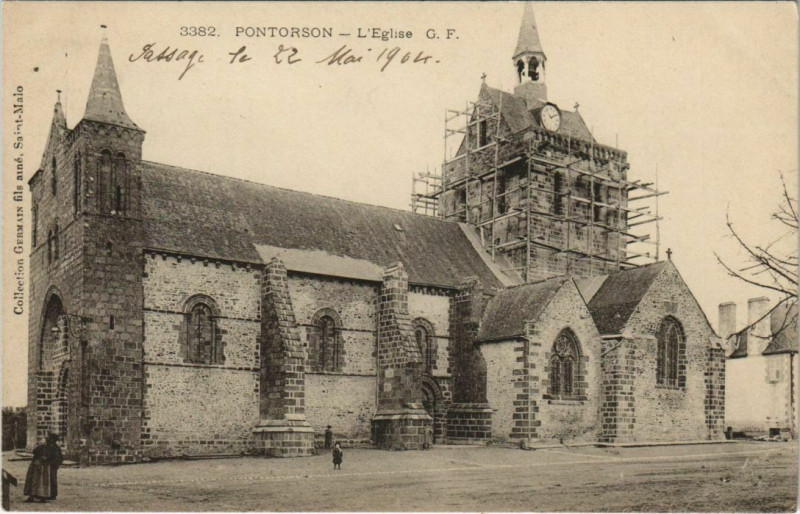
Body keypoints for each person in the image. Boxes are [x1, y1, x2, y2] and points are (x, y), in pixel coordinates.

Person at [23, 438, 51, 502]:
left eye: (43, 440)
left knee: (42, 481)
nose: (41, 441)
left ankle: (43, 497)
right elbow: (34, 452)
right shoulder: (38, 448)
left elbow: (51, 456)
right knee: (34, 480)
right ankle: (32, 496)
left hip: (44, 466)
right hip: (36, 465)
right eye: (41, 440)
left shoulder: (49, 448)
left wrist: (46, 458)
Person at [45, 433, 63, 500]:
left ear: (53, 439)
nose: (48, 439)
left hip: (53, 465)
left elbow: (58, 458)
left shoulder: (56, 448)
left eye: (50, 438)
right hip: (47, 465)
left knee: (53, 479)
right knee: (46, 479)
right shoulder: (47, 446)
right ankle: (47, 493)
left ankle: (53, 494)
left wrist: (54, 463)